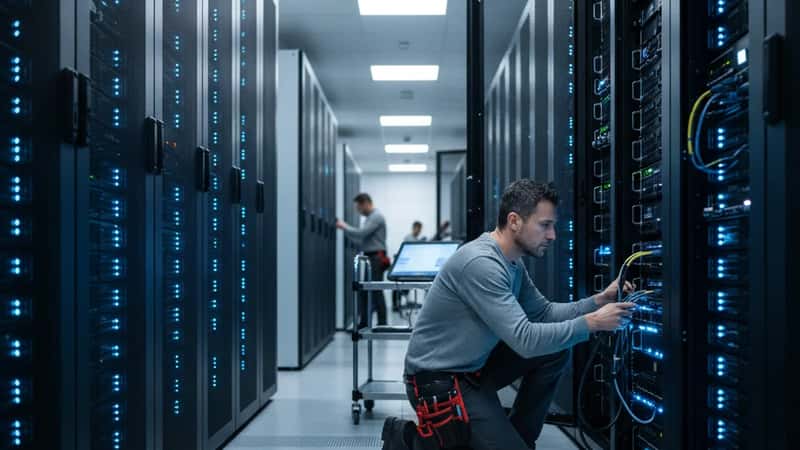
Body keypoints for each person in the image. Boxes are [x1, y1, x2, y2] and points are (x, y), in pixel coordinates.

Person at [381, 180, 635, 450]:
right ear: (514, 221)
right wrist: (592, 323)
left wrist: (598, 301)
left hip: (474, 369)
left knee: (556, 349)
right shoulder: (481, 263)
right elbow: (524, 339)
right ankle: (408, 440)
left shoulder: (512, 263)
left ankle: (518, 439)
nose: (552, 235)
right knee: (550, 342)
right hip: (437, 382)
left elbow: (544, 313)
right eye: (544, 225)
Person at [337, 193, 389, 328]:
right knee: (365, 290)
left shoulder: (376, 217)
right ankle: (365, 322)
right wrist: (347, 231)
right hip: (370, 257)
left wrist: (344, 226)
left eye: (359, 208)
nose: (359, 212)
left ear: (365, 203)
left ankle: (382, 324)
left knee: (376, 289)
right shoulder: (371, 218)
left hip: (376, 257)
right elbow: (361, 239)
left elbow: (361, 233)